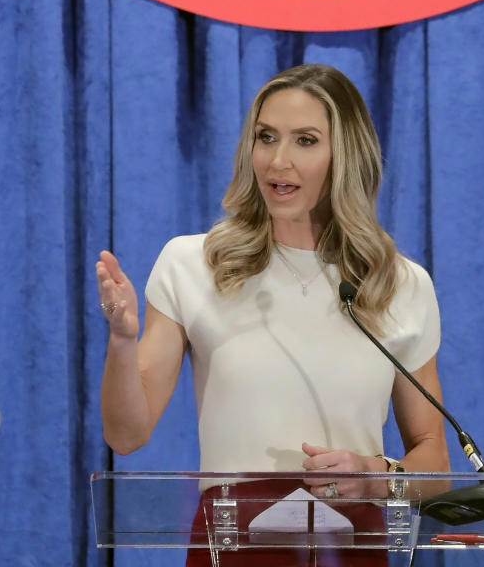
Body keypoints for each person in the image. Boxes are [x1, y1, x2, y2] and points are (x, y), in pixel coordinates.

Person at [96, 63, 451, 486]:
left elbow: (436, 466)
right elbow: (126, 435)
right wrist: (121, 340)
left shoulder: (398, 284)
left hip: (350, 543)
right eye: (266, 137)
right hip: (230, 543)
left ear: (346, 155)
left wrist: (376, 474)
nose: (278, 160)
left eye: (305, 141)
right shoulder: (193, 264)